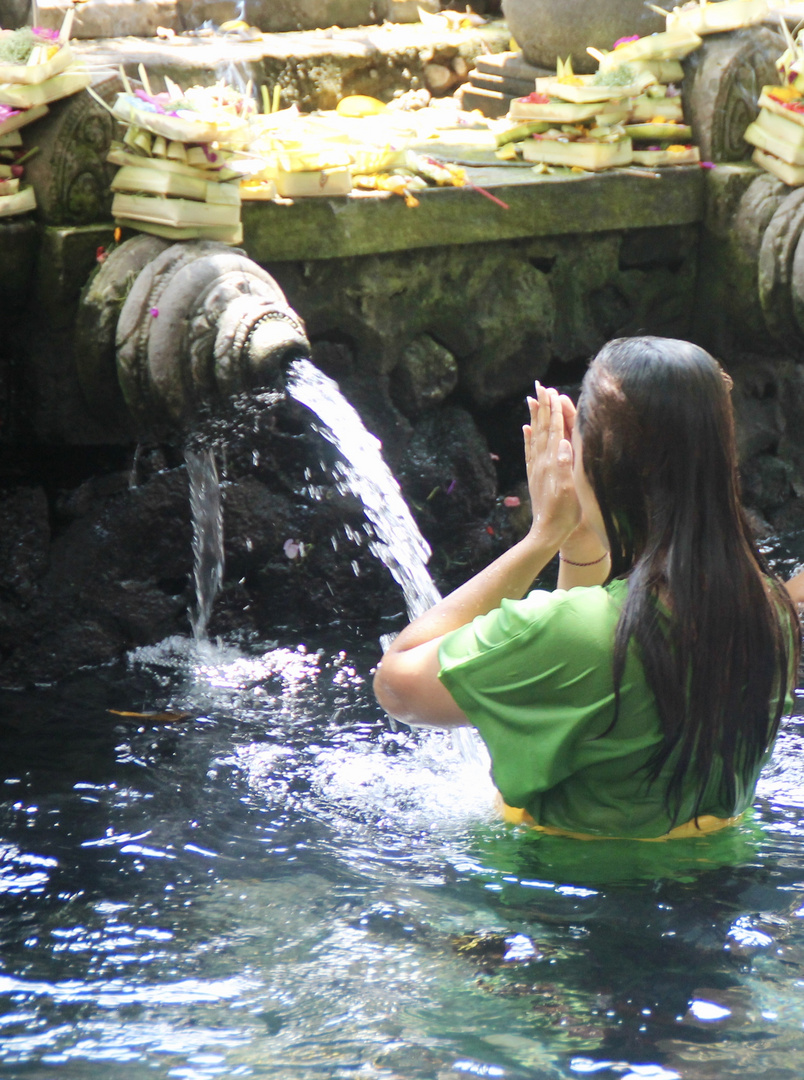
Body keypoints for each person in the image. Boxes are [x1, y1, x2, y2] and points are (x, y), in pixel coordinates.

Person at [373, 336, 801, 840]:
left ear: (600, 465)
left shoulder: (577, 635)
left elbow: (397, 687)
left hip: (553, 903)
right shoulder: (768, 610)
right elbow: (582, 678)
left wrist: (542, 536)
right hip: (713, 882)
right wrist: (579, 536)